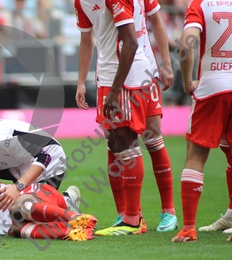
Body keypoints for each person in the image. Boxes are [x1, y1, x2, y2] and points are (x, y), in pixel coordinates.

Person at [74, 0, 178, 233]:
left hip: (138, 73)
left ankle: (157, 213)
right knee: (114, 143)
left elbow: (154, 21)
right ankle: (126, 214)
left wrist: (166, 62)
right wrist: (82, 81)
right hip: (110, 75)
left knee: (149, 140)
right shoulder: (82, 3)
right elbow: (87, 38)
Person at [171, 0, 232, 243]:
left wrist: (186, 82)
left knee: (195, 156)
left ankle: (188, 229)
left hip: (212, 85)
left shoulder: (200, 4)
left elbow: (186, 45)